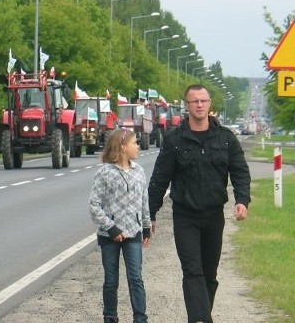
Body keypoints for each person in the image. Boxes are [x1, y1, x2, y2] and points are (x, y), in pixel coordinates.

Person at [148, 83, 251, 323]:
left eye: (203, 100)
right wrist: (149, 213)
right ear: (186, 106)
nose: (200, 105)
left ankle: (201, 315)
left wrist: (242, 200)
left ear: (209, 104)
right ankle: (200, 319)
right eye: (194, 101)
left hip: (214, 215)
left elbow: (240, 171)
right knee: (192, 270)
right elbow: (159, 179)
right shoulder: (174, 140)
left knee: (209, 274)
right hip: (185, 216)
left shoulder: (225, 138)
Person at [89, 127, 152, 323]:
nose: (138, 147)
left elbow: (144, 202)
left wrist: (147, 227)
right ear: (123, 147)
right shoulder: (104, 173)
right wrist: (112, 228)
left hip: (133, 233)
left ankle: (140, 318)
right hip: (110, 236)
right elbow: (94, 205)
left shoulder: (139, 171)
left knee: (136, 279)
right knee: (111, 280)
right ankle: (110, 317)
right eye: (135, 143)